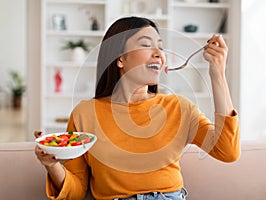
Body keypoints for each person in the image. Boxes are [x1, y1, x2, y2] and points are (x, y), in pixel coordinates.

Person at [34, 16, 240, 200]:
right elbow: (77, 190)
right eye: (146, 45)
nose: (159, 54)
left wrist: (217, 74)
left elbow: (227, 151)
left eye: (160, 47)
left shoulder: (179, 107)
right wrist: (51, 165)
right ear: (120, 58)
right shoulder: (85, 114)